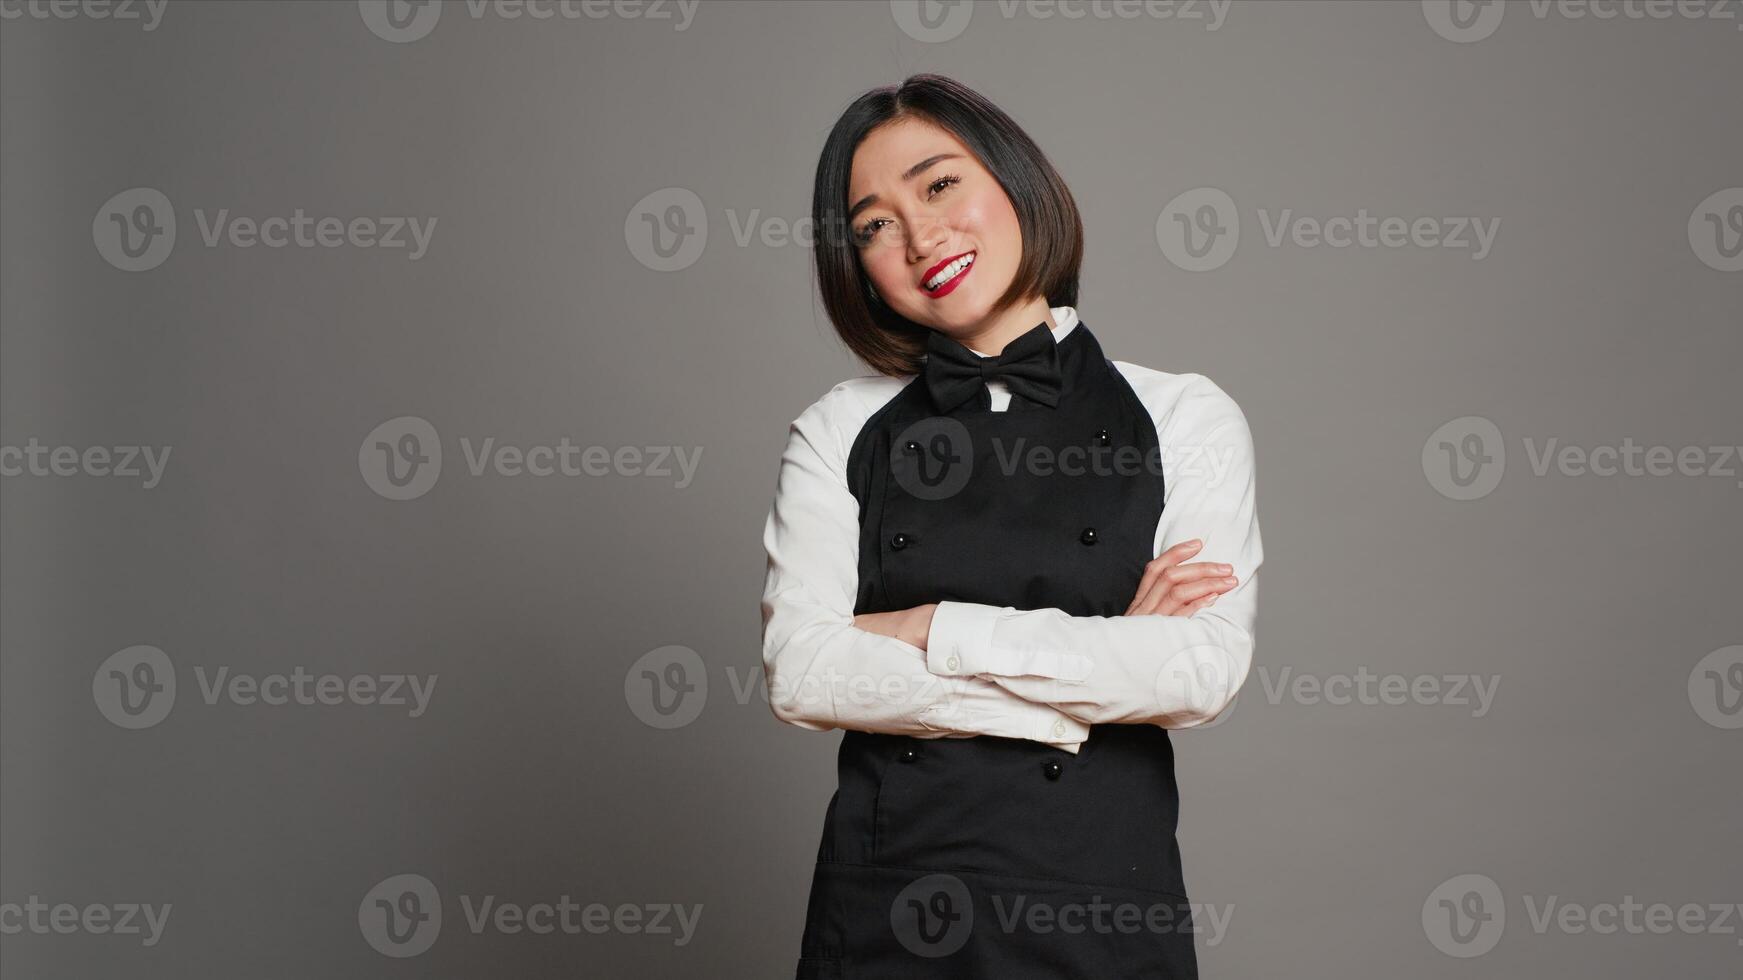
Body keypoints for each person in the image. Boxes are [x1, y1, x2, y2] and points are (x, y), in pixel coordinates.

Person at [759, 73, 1262, 979]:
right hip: (887, 909)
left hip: (1103, 905)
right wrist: (1099, 670)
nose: (918, 236)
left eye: (939, 183)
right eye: (873, 224)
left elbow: (1196, 670)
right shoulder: (838, 425)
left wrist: (927, 630)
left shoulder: (1186, 415)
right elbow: (804, 673)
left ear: (1015, 180)